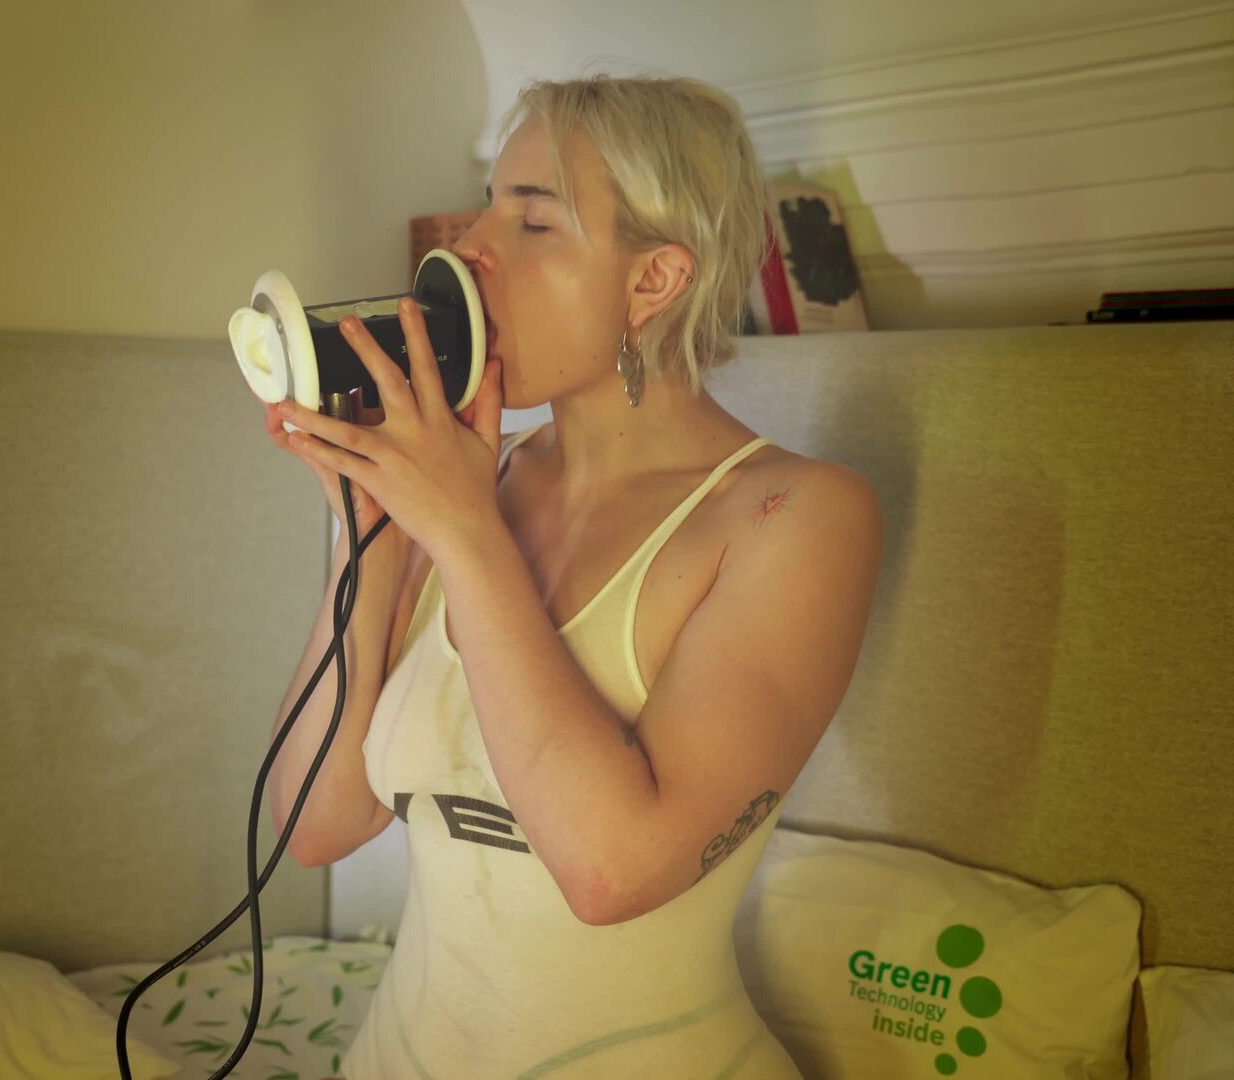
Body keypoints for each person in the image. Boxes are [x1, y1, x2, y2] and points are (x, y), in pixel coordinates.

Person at [261, 73, 883, 1080]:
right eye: (484, 208)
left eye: (535, 220)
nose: (467, 251)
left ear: (653, 281)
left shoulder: (796, 517)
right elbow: (317, 825)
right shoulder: (465, 483)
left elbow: (609, 874)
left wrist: (466, 536)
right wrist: (364, 538)